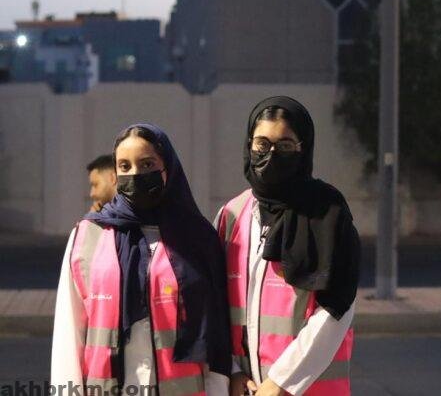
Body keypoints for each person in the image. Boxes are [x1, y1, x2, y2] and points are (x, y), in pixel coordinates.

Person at [51, 124, 232, 395]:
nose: (135, 174)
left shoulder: (198, 238)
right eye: (125, 166)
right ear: (115, 174)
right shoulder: (87, 235)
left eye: (147, 164)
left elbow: (215, 332)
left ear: (168, 168)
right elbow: (70, 333)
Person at [215, 96, 360, 396]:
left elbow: (338, 307)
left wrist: (281, 382)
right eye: (262, 144)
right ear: (249, 145)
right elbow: (214, 302)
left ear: (303, 149)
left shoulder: (326, 212)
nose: (271, 154)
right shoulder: (232, 215)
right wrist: (232, 370)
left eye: (285, 145)